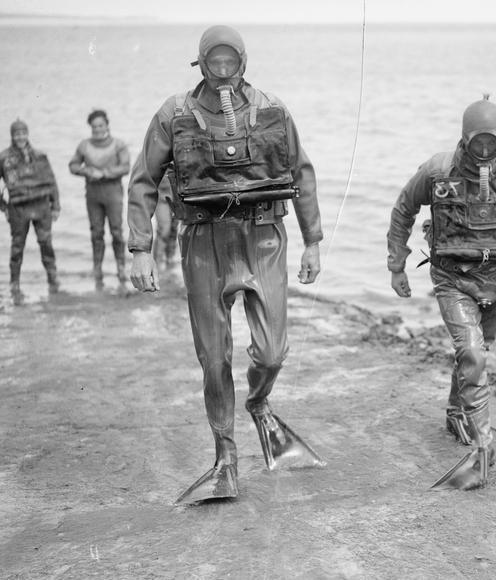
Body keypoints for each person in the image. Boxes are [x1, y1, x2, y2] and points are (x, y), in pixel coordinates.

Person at [127, 25, 324, 505]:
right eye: (213, 62)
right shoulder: (175, 113)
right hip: (203, 241)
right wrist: (140, 249)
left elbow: (301, 172)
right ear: (201, 63)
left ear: (242, 62)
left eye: (228, 61)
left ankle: (259, 402)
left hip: (263, 238)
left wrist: (312, 241)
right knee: (214, 359)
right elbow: (143, 181)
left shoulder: (272, 109)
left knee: (273, 351)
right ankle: (225, 456)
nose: (221, 71)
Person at [387, 95, 496, 490]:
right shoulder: (437, 171)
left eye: (491, 143)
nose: (483, 152)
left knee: (478, 353)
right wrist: (396, 264)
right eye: (476, 143)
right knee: (471, 352)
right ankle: (484, 445)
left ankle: (456, 412)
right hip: (453, 276)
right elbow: (403, 210)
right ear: (464, 139)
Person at [69, 109, 131, 291]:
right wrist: (87, 171)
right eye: (94, 126)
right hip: (93, 194)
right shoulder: (84, 146)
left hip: (113, 193)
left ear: (107, 125)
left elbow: (125, 167)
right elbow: (72, 165)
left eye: (100, 125)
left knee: (117, 232)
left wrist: (103, 173)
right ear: (90, 127)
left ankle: (121, 269)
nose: (97, 129)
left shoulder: (118, 145)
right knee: (96, 233)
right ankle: (98, 270)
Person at [0, 119, 61, 303]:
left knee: (46, 243)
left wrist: (56, 206)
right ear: (12, 136)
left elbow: (51, 181)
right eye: (17, 134)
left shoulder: (40, 155)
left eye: (23, 133)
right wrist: (3, 206)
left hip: (42, 207)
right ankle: (14, 284)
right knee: (17, 247)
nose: (20, 137)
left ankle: (53, 281)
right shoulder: (4, 158)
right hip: (18, 209)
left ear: (28, 134)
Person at [151, 175, 179, 271]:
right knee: (164, 229)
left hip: (178, 196)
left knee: (174, 229)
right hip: (161, 196)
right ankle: (157, 262)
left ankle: (169, 259)